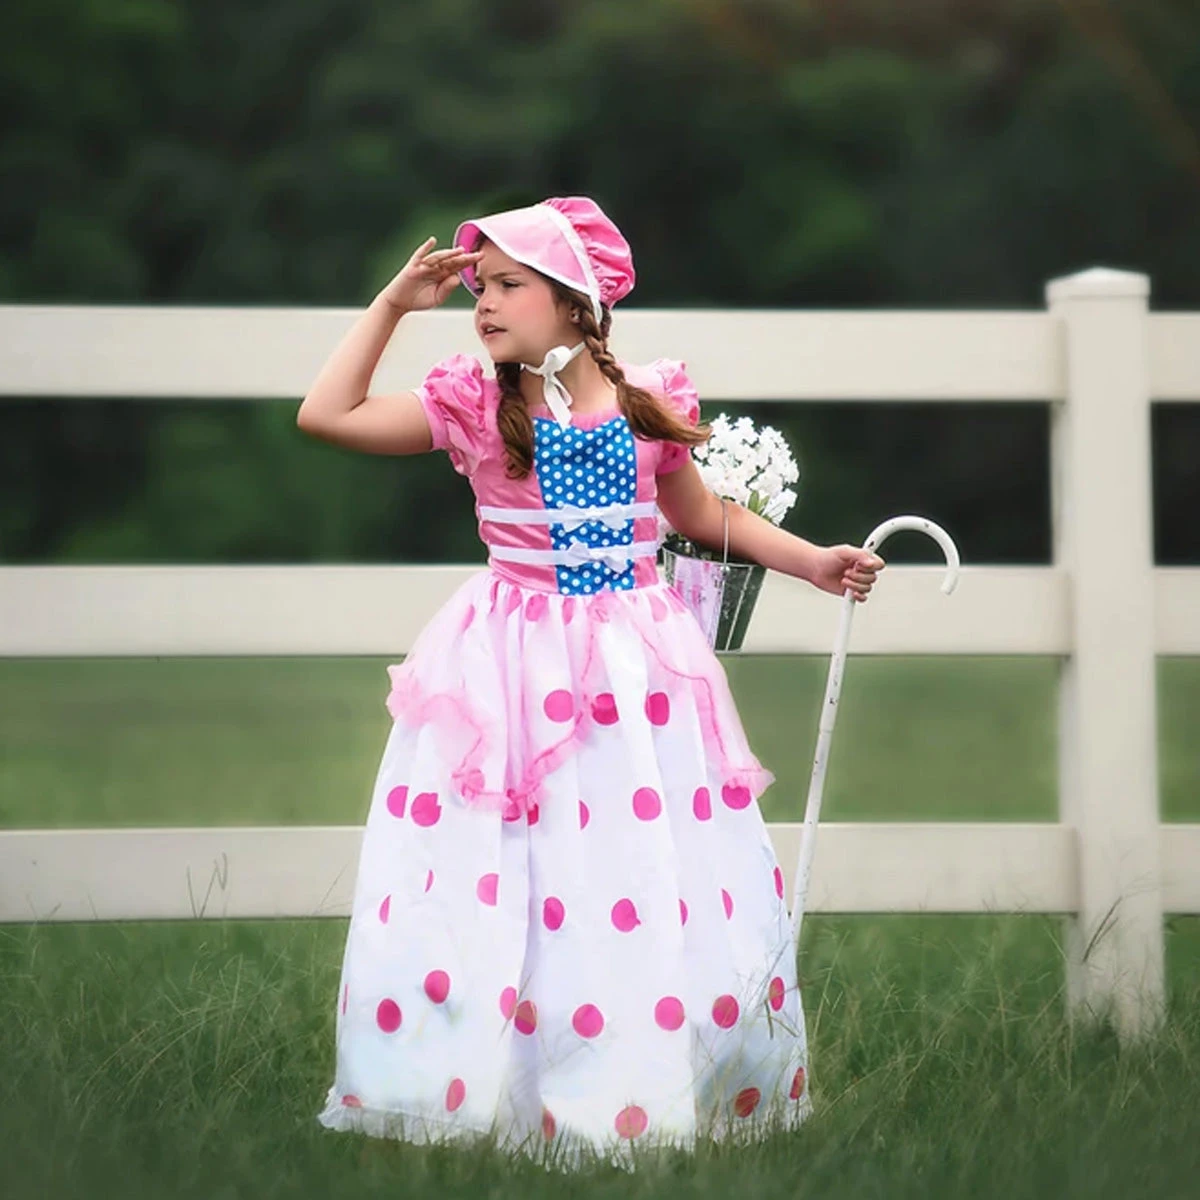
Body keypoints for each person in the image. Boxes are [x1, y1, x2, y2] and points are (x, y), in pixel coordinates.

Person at [297, 196, 883, 1165]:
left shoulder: (649, 402)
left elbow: (702, 519)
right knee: (520, 871)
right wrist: (395, 305)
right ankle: (501, 1090)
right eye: (476, 288)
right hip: (513, 667)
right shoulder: (480, 403)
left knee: (625, 868)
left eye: (507, 285)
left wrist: (809, 561)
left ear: (576, 301)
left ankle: (629, 1084)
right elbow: (327, 416)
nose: (481, 302)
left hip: (632, 677)